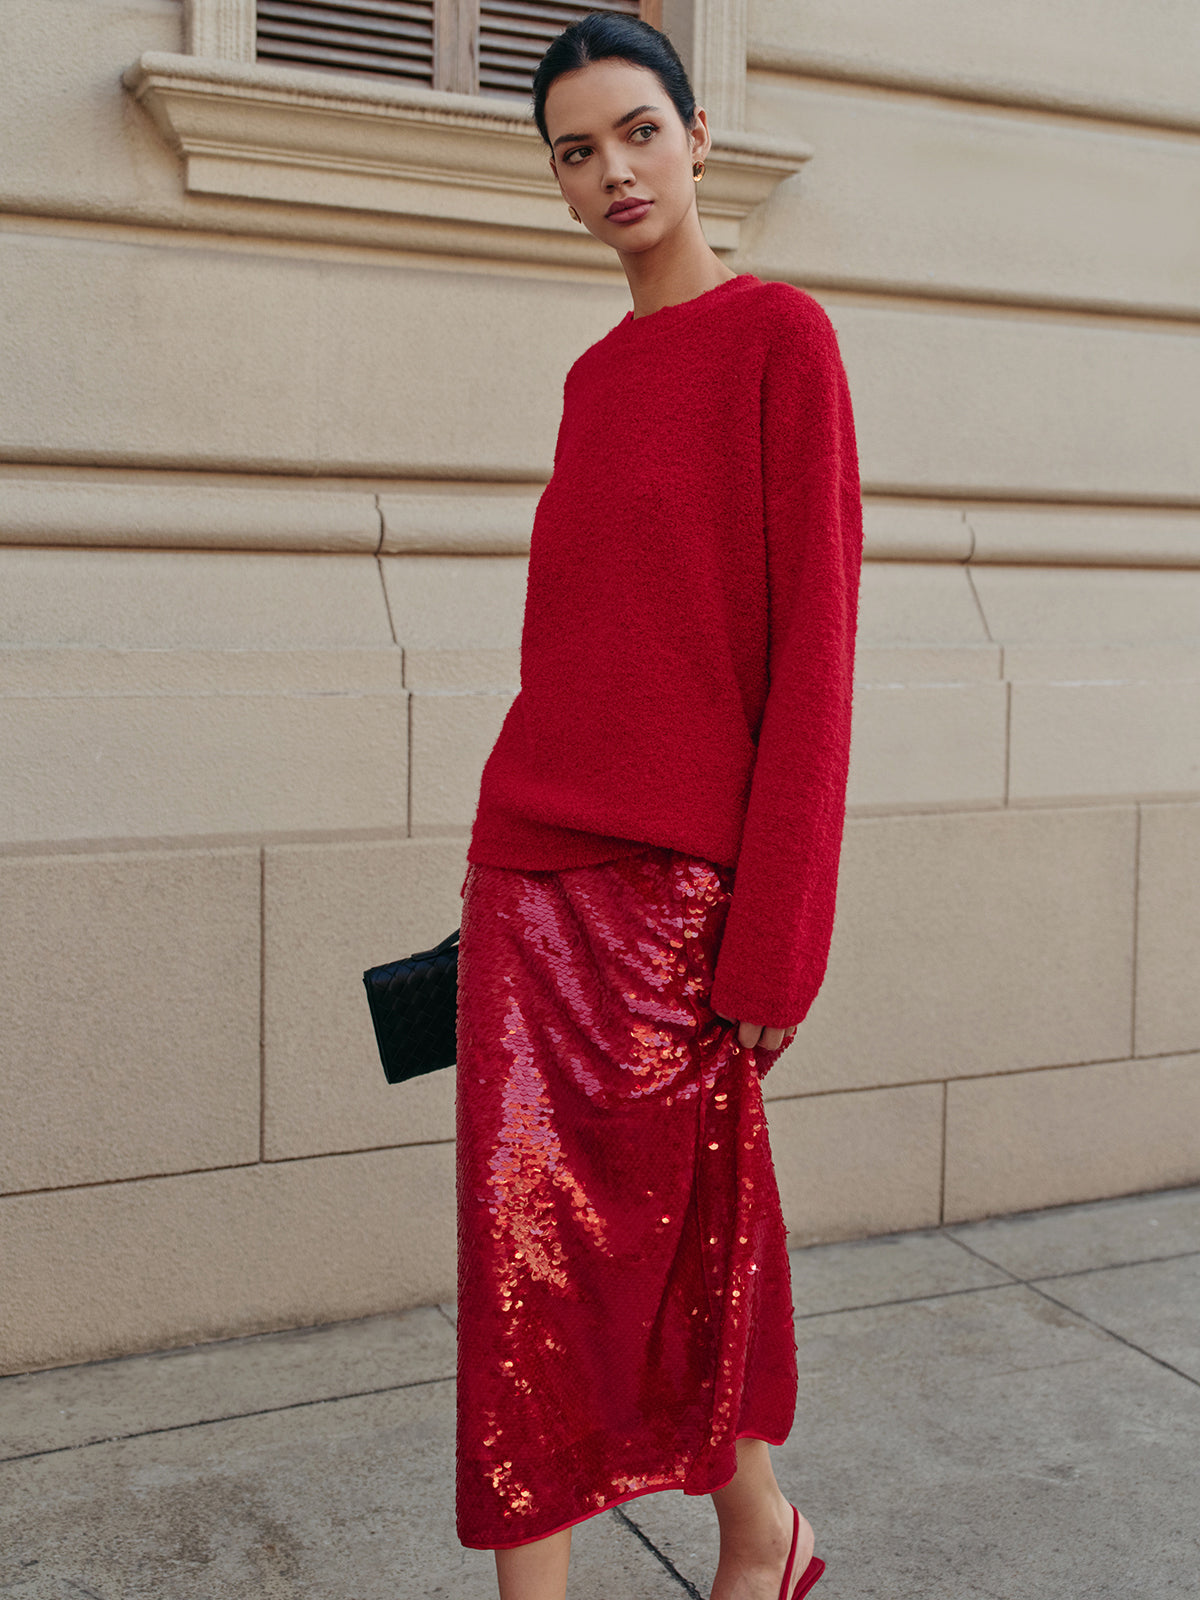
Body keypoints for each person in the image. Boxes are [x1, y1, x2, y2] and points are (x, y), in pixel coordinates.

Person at [454, 13, 863, 1599]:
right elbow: (576, 649)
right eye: (577, 151)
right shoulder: (592, 379)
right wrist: (501, 861)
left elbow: (813, 653)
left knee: (686, 1254)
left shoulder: (781, 341)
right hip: (527, 875)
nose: (614, 171)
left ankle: (760, 1530)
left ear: (698, 136)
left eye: (637, 131)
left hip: (678, 907)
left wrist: (778, 939)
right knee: (521, 1275)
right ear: (557, 184)